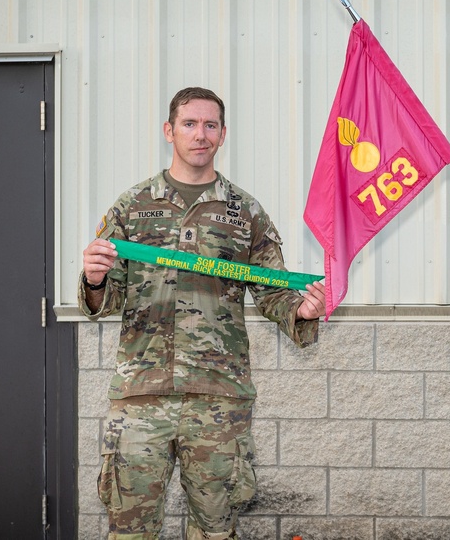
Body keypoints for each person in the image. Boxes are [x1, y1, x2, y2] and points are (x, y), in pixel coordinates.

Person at [79, 86, 326, 540]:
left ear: (223, 134)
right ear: (168, 131)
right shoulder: (133, 207)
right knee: (130, 531)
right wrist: (94, 279)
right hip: (141, 396)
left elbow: (273, 290)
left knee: (216, 531)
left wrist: (303, 310)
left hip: (219, 398)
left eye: (210, 125)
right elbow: (107, 299)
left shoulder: (244, 212)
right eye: (190, 124)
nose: (200, 134)